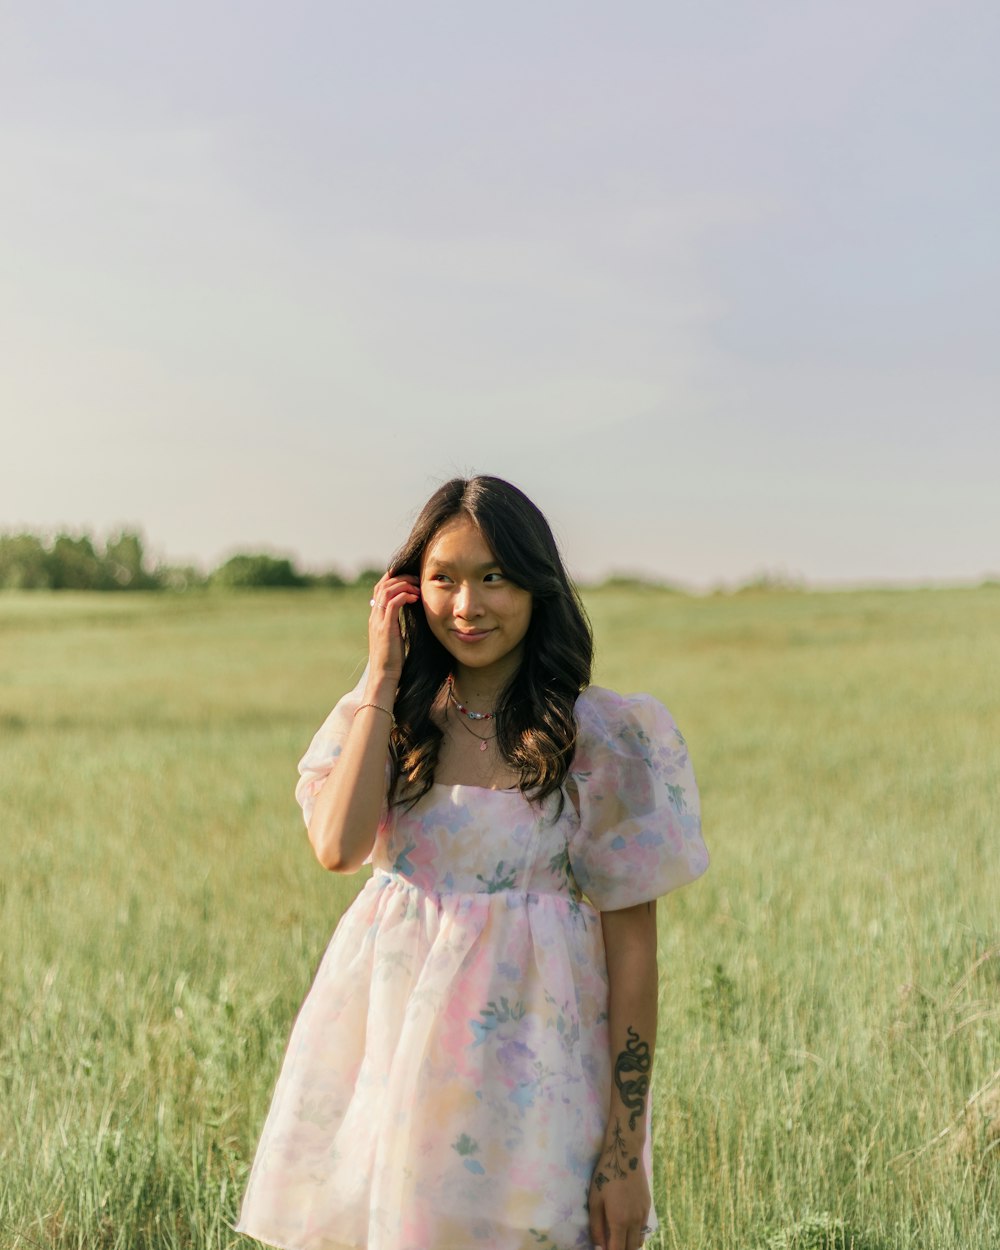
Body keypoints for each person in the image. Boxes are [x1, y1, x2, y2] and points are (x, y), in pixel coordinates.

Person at [234, 476, 708, 1250]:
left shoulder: (603, 737)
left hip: (540, 1082)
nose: (467, 605)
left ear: (536, 585)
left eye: (495, 577)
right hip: (395, 1074)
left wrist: (624, 1151)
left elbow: (633, 949)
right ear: (409, 590)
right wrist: (383, 679)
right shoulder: (383, 719)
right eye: (444, 578)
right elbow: (337, 848)